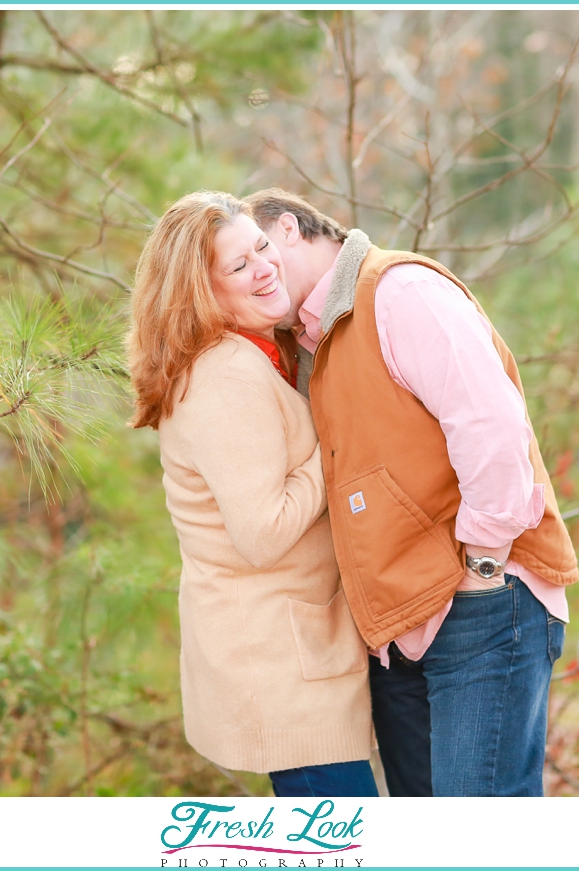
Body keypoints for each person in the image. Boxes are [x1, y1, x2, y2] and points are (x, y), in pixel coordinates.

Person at [242, 188, 579, 797]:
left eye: (259, 251)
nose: (256, 277)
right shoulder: (308, 343)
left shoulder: (399, 293)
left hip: (477, 604)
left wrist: (482, 562)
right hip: (398, 630)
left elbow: (492, 427)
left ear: (289, 227)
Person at [126, 191, 378, 798]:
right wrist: (339, 438)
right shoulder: (223, 376)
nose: (265, 268)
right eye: (238, 266)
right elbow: (263, 532)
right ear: (201, 293)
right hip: (279, 666)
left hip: (297, 655)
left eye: (262, 248)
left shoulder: (256, 354)